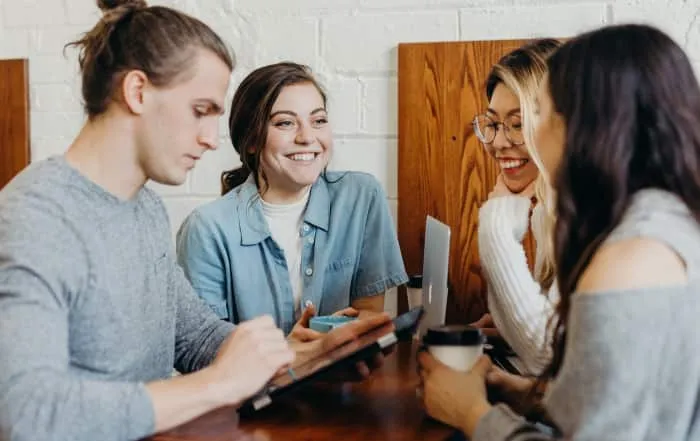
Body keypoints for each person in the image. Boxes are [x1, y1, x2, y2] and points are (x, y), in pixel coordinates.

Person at [0, 2, 390, 441]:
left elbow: (195, 338)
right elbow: (26, 413)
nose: (209, 138)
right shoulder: (33, 218)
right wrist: (219, 383)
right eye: (199, 110)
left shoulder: (143, 208)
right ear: (138, 92)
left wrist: (299, 359)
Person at [419, 23, 700, 440]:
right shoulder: (664, 222)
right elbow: (617, 403)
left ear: (587, 126)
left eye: (542, 113)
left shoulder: (629, 259)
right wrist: (522, 393)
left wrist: (472, 414)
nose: (515, 138)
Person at [176, 61, 408, 336]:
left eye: (318, 120)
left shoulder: (361, 197)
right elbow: (204, 348)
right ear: (251, 140)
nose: (307, 137)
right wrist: (293, 357)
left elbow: (368, 318)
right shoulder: (206, 229)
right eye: (285, 123)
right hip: (256, 380)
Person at [471, 39, 561, 375]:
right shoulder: (547, 212)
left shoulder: (590, 215)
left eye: (518, 123)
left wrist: (496, 224)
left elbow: (547, 357)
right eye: (493, 124)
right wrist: (510, 329)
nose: (497, 142)